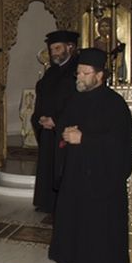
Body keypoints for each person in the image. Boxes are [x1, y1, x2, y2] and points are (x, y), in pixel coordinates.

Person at [48, 48, 132, 263]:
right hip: (75, 172)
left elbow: (118, 143)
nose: (80, 77)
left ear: (99, 75)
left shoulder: (115, 104)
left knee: (96, 223)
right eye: (78, 73)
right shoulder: (75, 100)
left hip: (100, 178)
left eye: (85, 73)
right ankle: (69, 254)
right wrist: (65, 133)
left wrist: (84, 139)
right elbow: (64, 127)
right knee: (72, 215)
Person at [31, 30, 79, 213]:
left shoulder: (78, 72)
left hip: (65, 130)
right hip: (47, 129)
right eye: (52, 50)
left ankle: (62, 203)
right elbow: (42, 98)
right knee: (48, 165)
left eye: (58, 48)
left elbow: (76, 103)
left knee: (64, 166)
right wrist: (40, 118)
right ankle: (46, 201)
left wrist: (57, 121)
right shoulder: (51, 72)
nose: (54, 53)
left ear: (70, 47)